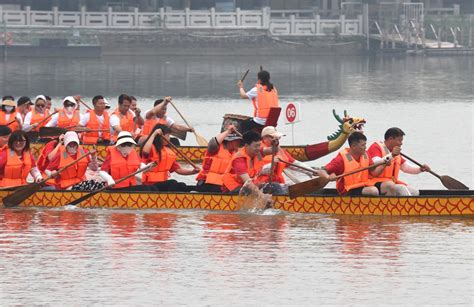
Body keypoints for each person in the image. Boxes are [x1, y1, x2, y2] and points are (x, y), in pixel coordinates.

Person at [319, 132, 390, 196]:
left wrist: (384, 165)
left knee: (389, 185)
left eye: (365, 144)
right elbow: (322, 170)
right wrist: (328, 177)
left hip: (364, 185)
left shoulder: (366, 154)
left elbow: (374, 173)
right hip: (348, 190)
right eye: (363, 145)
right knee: (373, 191)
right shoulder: (340, 160)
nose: (365, 147)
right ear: (353, 146)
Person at [367, 127, 431, 196]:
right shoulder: (376, 147)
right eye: (399, 140)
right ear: (390, 139)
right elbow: (375, 162)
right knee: (401, 188)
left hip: (390, 182)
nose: (401, 143)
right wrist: (392, 155)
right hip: (374, 183)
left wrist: (420, 169)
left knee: (415, 192)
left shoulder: (394, 152)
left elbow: (406, 167)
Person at [141, 124, 200, 191]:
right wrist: (154, 134)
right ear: (161, 137)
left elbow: (178, 170)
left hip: (162, 184)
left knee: (182, 185)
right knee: (173, 183)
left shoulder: (168, 152)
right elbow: (145, 151)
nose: (169, 138)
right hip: (150, 185)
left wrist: (192, 172)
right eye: (168, 135)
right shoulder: (151, 148)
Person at [196, 124, 242, 192]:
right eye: (238, 141)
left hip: (225, 186)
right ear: (232, 141)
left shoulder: (239, 153)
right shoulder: (215, 149)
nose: (240, 143)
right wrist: (228, 131)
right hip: (208, 184)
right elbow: (212, 143)